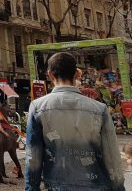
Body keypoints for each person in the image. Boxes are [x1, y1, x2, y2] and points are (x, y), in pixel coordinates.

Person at [25, 52, 124, 191]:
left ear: (50, 75)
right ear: (77, 74)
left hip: (57, 185)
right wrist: (119, 187)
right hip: (95, 184)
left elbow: (33, 156)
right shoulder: (99, 109)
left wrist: (31, 188)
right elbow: (111, 154)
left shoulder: (37, 107)